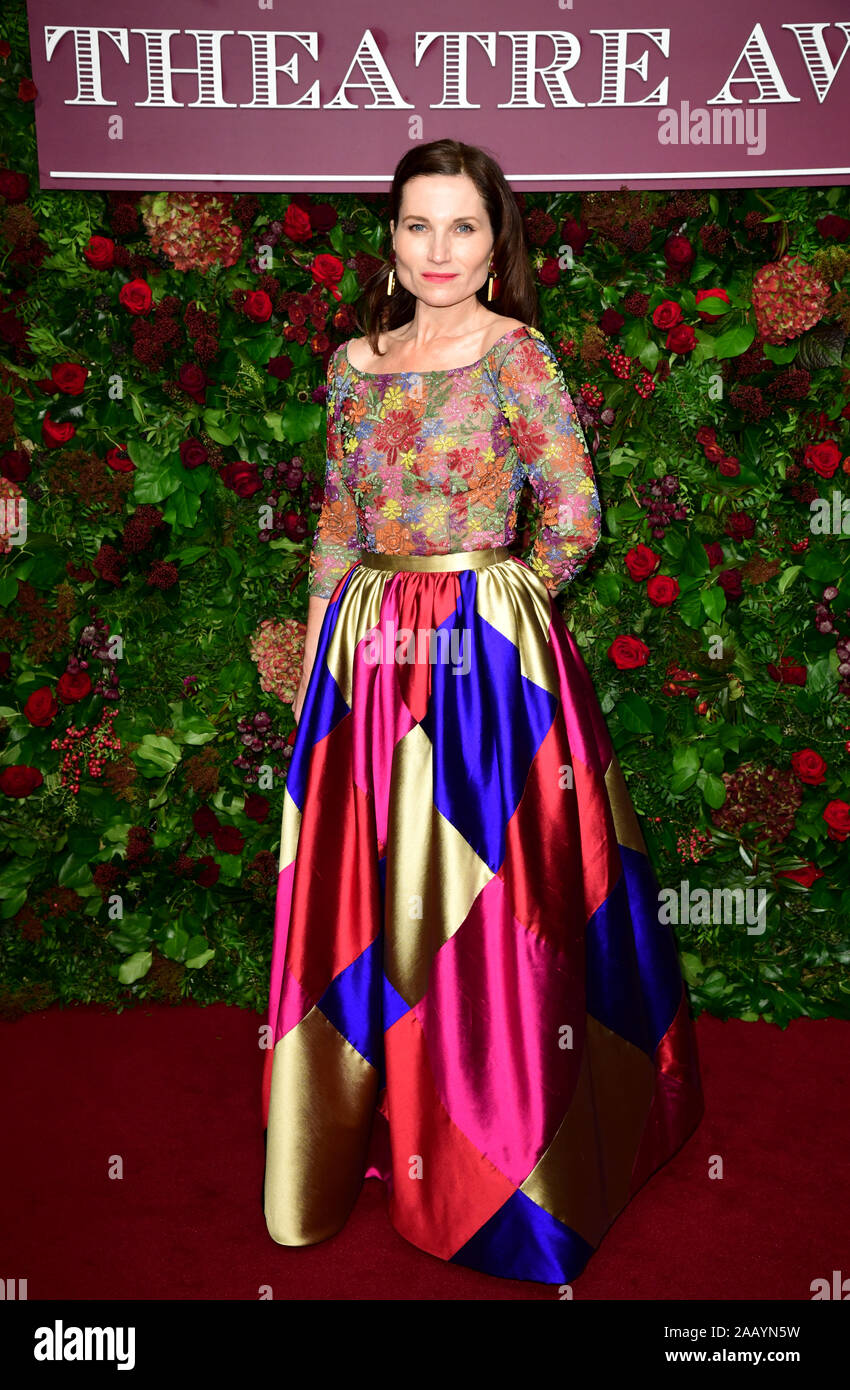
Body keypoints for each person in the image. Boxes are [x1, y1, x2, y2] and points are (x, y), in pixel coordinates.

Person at [261, 138, 704, 1286]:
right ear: (390, 239)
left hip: (482, 671)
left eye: (462, 227)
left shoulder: (517, 355)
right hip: (368, 664)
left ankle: (506, 1154)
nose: (438, 250)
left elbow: (573, 510)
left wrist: (499, 614)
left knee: (493, 909)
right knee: (382, 903)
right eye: (418, 226)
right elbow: (332, 518)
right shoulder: (350, 364)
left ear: (494, 242)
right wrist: (325, 653)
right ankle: (390, 1121)